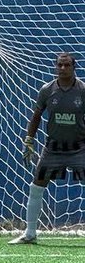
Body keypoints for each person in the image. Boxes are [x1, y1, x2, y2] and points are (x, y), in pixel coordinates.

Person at [10, 52, 85, 244]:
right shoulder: (47, 89)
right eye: (59, 65)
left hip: (79, 148)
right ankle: (30, 233)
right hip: (53, 149)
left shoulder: (83, 89)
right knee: (36, 187)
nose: (62, 68)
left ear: (73, 67)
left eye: (66, 65)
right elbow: (36, 115)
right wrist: (29, 139)